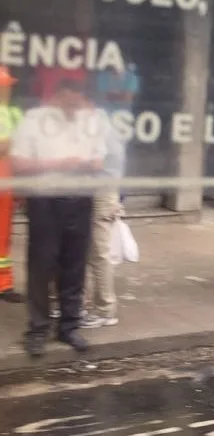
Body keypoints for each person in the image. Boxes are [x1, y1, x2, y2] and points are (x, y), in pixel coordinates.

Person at [11, 78, 106, 356]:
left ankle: (69, 327)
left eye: (78, 103)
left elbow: (100, 160)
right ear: (57, 95)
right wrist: (57, 164)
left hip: (80, 200)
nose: (74, 108)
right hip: (46, 201)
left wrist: (89, 164)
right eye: (69, 102)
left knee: (74, 266)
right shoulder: (34, 120)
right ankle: (38, 329)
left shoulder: (89, 122)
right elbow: (19, 163)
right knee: (42, 266)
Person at [82, 106, 125, 330]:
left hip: (102, 192)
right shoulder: (103, 122)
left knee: (99, 253)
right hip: (101, 191)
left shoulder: (96, 125)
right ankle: (91, 304)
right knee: (93, 251)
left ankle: (105, 310)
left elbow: (95, 163)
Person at [0, 67, 23, 303]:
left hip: (7, 182)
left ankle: (4, 285)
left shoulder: (13, 113)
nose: (7, 90)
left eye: (8, 86)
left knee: (4, 238)